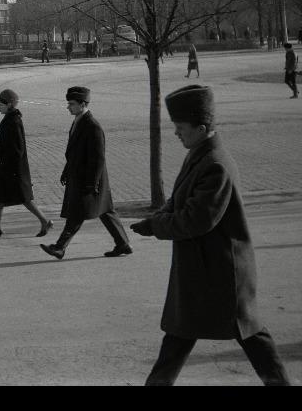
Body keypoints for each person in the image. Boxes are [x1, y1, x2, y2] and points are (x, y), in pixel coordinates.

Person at [131, 85, 290, 386]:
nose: (176, 133)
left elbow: (197, 219)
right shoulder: (200, 154)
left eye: (180, 128)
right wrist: (157, 218)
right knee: (180, 337)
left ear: (201, 128)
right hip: (205, 270)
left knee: (250, 334)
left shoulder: (216, 163)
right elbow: (178, 200)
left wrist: (156, 226)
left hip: (222, 272)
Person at [41, 86, 131, 260]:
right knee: (105, 210)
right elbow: (74, 151)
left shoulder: (92, 126)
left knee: (77, 212)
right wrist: (66, 170)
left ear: (82, 104)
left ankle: (60, 247)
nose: (68, 107)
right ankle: (123, 243)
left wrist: (93, 183)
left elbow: (98, 159)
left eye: (72, 104)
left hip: (90, 179)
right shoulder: (79, 121)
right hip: (81, 176)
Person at [0, 89, 52, 239]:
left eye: (1, 104)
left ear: (10, 104)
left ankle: (45, 221)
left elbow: (17, 148)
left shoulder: (14, 121)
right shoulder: (10, 118)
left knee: (24, 198)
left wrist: (9, 167)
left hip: (12, 168)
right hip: (6, 166)